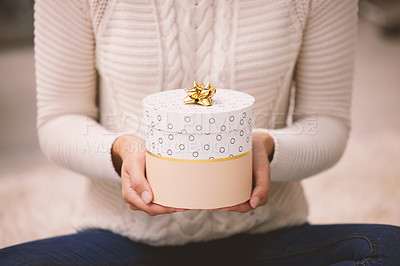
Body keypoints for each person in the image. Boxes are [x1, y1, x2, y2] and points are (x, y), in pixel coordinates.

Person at [1, 0, 400, 265]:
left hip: (266, 239)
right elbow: (60, 119)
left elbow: (325, 121)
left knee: (389, 250)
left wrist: (268, 146)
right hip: (122, 242)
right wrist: (120, 149)